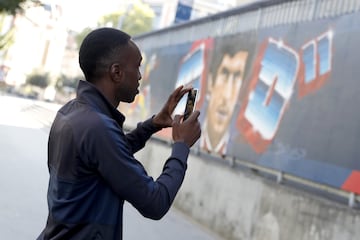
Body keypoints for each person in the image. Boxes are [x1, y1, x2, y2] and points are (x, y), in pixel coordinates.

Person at [37, 28, 201, 240]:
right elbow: (155, 202)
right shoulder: (98, 128)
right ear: (116, 72)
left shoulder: (71, 112)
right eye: (138, 66)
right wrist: (181, 146)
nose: (140, 76)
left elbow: (105, 157)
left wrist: (152, 124)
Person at [200, 36, 252, 156]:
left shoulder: (243, 149)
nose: (227, 96)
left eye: (237, 77)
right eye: (224, 73)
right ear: (210, 82)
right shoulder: (187, 126)